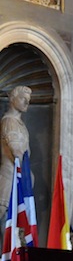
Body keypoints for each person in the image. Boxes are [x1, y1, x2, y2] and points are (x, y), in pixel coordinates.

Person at [0, 86, 33, 222]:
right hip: (9, 175)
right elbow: (16, 151)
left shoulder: (20, 124)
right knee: (3, 211)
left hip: (19, 176)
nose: (26, 102)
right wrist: (26, 173)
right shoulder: (9, 121)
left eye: (28, 99)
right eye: (22, 98)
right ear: (13, 99)